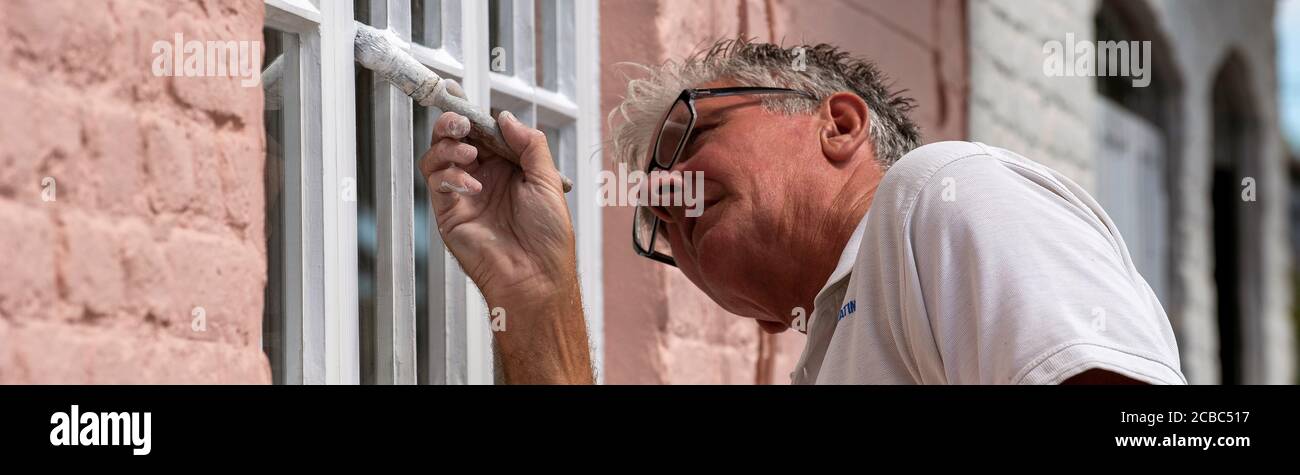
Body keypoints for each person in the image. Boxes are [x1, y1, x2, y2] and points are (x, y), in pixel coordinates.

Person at [417, 39, 1185, 385]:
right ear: (759, 318)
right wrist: (534, 294)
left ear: (840, 125)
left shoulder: (938, 193)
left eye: (693, 132)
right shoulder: (836, 353)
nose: (670, 192)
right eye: (653, 207)